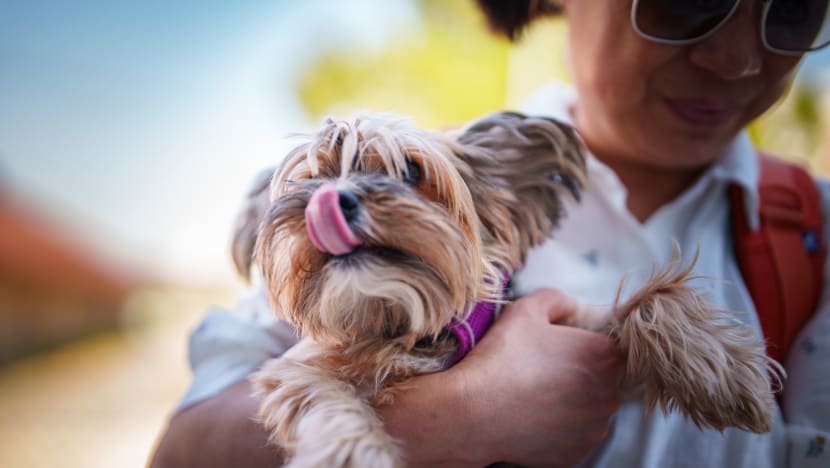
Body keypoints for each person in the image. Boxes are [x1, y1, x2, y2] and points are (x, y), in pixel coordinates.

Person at [150, 0, 830, 466]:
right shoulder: (374, 237)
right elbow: (179, 454)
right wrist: (458, 417)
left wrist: (662, 325)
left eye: (794, 10)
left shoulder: (815, 229)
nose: (737, 58)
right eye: (684, 1)